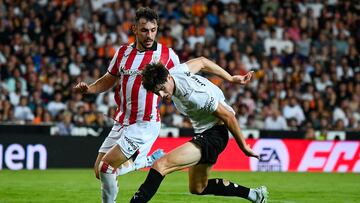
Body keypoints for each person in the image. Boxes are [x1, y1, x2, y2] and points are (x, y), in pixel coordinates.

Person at [73, 7, 180, 203]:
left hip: (144, 124)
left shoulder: (168, 55)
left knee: (107, 168)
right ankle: (143, 161)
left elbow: (180, 83)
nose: (149, 35)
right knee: (100, 171)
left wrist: (169, 93)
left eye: (153, 30)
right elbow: (108, 79)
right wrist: (88, 89)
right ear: (134, 29)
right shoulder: (123, 52)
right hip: (122, 121)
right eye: (144, 30)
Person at [130, 57, 268, 203]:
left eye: (163, 89)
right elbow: (202, 62)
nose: (162, 95)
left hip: (214, 135)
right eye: (158, 92)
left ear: (169, 78)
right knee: (198, 187)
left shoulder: (194, 95)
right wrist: (231, 78)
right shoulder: (175, 73)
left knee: (160, 165)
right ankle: (255, 195)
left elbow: (228, 117)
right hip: (206, 132)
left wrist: (244, 147)